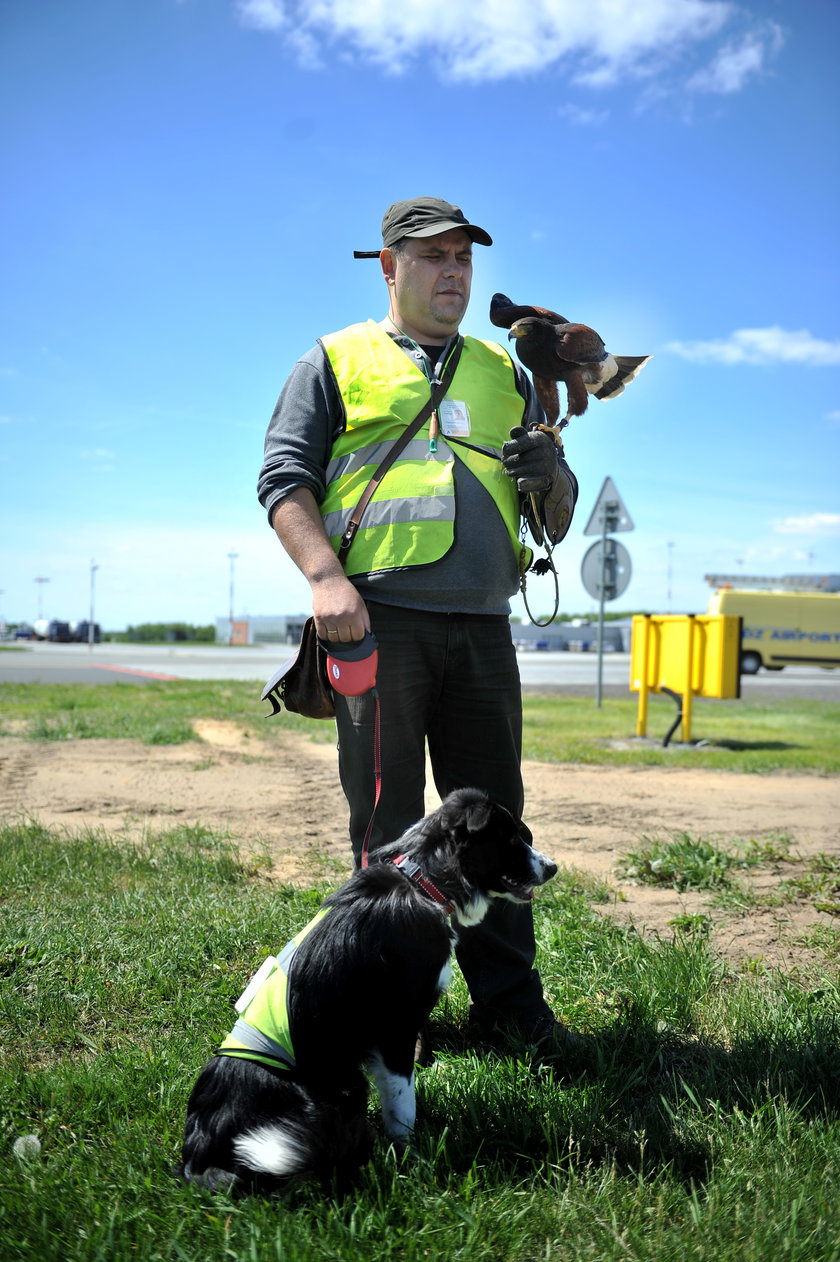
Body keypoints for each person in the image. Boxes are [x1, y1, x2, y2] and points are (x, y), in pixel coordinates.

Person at [257, 196, 581, 1054]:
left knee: (497, 822)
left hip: (481, 625)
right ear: (389, 267)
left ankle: (511, 1009)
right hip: (379, 623)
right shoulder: (334, 358)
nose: (453, 272)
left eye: (464, 259)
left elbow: (556, 515)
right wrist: (326, 580)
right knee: (386, 821)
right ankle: (385, 1008)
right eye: (432, 256)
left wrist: (551, 473)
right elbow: (283, 477)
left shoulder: (504, 370)